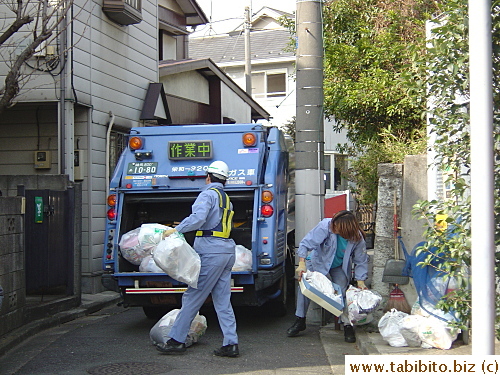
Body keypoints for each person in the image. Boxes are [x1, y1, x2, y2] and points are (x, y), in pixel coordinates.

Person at [155, 160, 239, 357]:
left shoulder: (207, 194)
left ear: (208, 177)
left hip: (211, 251)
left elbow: (198, 219)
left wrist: (176, 230)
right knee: (223, 301)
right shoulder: (226, 198)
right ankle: (231, 343)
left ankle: (176, 340)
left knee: (193, 295)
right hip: (227, 250)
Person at [286, 210, 369, 343]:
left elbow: (361, 261)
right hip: (317, 262)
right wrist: (301, 264)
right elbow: (305, 244)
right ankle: (300, 320)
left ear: (345, 230)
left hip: (338, 266)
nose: (333, 228)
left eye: (336, 227)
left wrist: (361, 281)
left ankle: (347, 325)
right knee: (305, 288)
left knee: (342, 291)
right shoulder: (326, 225)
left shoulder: (357, 238)